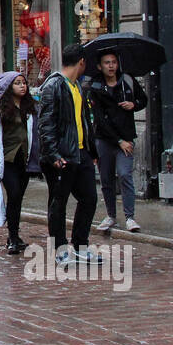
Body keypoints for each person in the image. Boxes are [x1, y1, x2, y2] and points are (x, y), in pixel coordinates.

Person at [37, 43, 100, 266]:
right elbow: (45, 124)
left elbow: (82, 121)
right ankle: (60, 249)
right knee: (58, 202)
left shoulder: (77, 86)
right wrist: (53, 154)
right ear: (81, 62)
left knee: (89, 197)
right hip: (61, 156)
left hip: (80, 153)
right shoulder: (53, 86)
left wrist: (91, 150)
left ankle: (81, 245)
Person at [91, 51, 149, 234]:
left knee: (125, 175)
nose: (111, 66)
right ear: (100, 66)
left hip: (126, 136)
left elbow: (143, 100)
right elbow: (99, 118)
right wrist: (118, 141)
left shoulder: (127, 81)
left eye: (114, 62)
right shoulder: (96, 86)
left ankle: (130, 217)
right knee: (106, 178)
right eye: (107, 62)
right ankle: (111, 215)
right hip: (105, 139)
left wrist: (134, 105)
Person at [0, 71, 35, 255]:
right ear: (8, 87)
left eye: (24, 83)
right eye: (17, 83)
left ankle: (15, 235)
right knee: (14, 193)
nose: (22, 86)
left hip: (25, 159)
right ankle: (12, 237)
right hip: (7, 159)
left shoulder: (30, 106)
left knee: (18, 198)